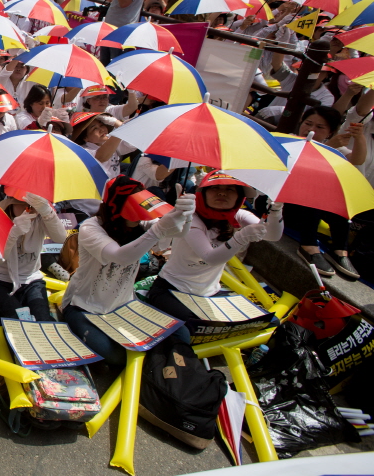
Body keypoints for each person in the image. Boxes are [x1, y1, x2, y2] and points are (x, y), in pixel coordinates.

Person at [62, 176, 195, 365]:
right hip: (84, 306)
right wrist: (157, 231)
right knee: (116, 356)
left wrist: (186, 214)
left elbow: (178, 232)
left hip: (124, 305)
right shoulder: (90, 227)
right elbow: (120, 256)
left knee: (181, 333)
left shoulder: (141, 225)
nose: (138, 216)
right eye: (131, 210)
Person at [145, 172, 284, 324]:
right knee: (194, 327)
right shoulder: (190, 218)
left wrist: (276, 211)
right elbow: (210, 258)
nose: (222, 192)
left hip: (210, 293)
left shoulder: (239, 215)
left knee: (271, 322)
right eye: (215, 187)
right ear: (202, 193)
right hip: (172, 289)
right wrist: (241, 237)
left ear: (239, 197)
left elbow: (272, 235)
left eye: (230, 189)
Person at [282, 106, 366, 278]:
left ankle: (340, 251)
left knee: (338, 198)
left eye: (320, 127)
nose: (311, 129)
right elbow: (297, 170)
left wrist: (359, 138)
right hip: (279, 205)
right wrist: (328, 146)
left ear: (330, 132)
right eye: (308, 123)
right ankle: (308, 246)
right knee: (314, 192)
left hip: (308, 212)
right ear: (301, 122)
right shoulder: (288, 141)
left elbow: (357, 159)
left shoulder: (335, 149)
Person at [0, 192, 67, 322]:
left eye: (34, 206)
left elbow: (60, 238)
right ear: (11, 204)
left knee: (43, 319)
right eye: (24, 205)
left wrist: (46, 212)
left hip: (31, 279)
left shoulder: (41, 216)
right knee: (18, 320)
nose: (29, 210)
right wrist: (13, 234)